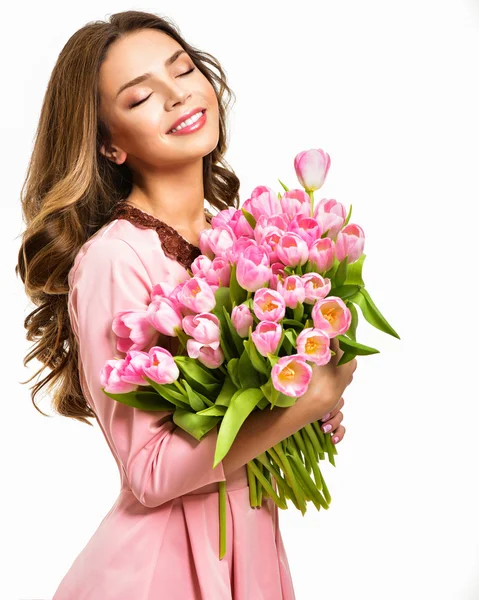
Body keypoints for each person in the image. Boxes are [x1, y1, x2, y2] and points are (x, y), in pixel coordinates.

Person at [16, 10, 356, 599]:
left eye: (184, 70)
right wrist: (300, 407)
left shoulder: (246, 236)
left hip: (249, 547)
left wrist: (302, 403)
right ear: (108, 144)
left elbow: (258, 408)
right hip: (161, 570)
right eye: (142, 96)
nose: (178, 97)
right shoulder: (113, 259)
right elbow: (147, 472)